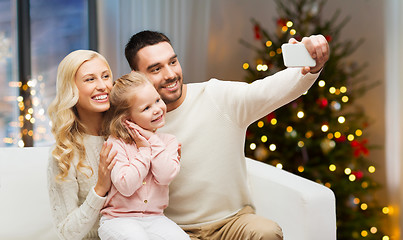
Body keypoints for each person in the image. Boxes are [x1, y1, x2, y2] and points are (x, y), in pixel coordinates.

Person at [124, 30, 330, 240]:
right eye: (156, 69)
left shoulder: (216, 96)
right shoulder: (133, 123)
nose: (170, 74)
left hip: (233, 222)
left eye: (173, 62)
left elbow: (271, 90)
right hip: (172, 230)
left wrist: (312, 67)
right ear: (136, 76)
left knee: (267, 232)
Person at [98, 71, 190, 240]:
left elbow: (165, 176)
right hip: (118, 220)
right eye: (146, 108)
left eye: (157, 101)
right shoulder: (116, 143)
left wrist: (151, 139)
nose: (157, 109)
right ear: (127, 119)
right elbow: (126, 186)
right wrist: (143, 150)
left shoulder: (168, 142)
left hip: (155, 218)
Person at [47, 50, 117, 240]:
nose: (103, 86)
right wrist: (100, 188)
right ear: (71, 89)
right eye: (89, 80)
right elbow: (67, 233)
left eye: (105, 76)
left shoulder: (125, 133)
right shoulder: (64, 154)